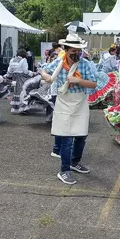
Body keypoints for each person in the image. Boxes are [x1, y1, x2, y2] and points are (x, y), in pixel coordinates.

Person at [41, 34, 97, 185]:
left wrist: (78, 80)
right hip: (64, 102)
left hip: (80, 102)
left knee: (81, 136)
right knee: (67, 138)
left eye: (79, 51)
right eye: (74, 51)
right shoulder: (58, 63)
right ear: (66, 51)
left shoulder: (84, 64)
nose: (77, 54)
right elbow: (44, 70)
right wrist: (46, 76)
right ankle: (64, 170)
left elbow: (93, 83)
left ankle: (74, 161)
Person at [6, 49, 36, 113]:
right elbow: (25, 71)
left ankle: (16, 107)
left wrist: (8, 76)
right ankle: (23, 107)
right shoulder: (23, 60)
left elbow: (9, 70)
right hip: (22, 77)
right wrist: (32, 73)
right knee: (25, 90)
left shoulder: (12, 60)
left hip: (15, 77)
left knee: (16, 91)